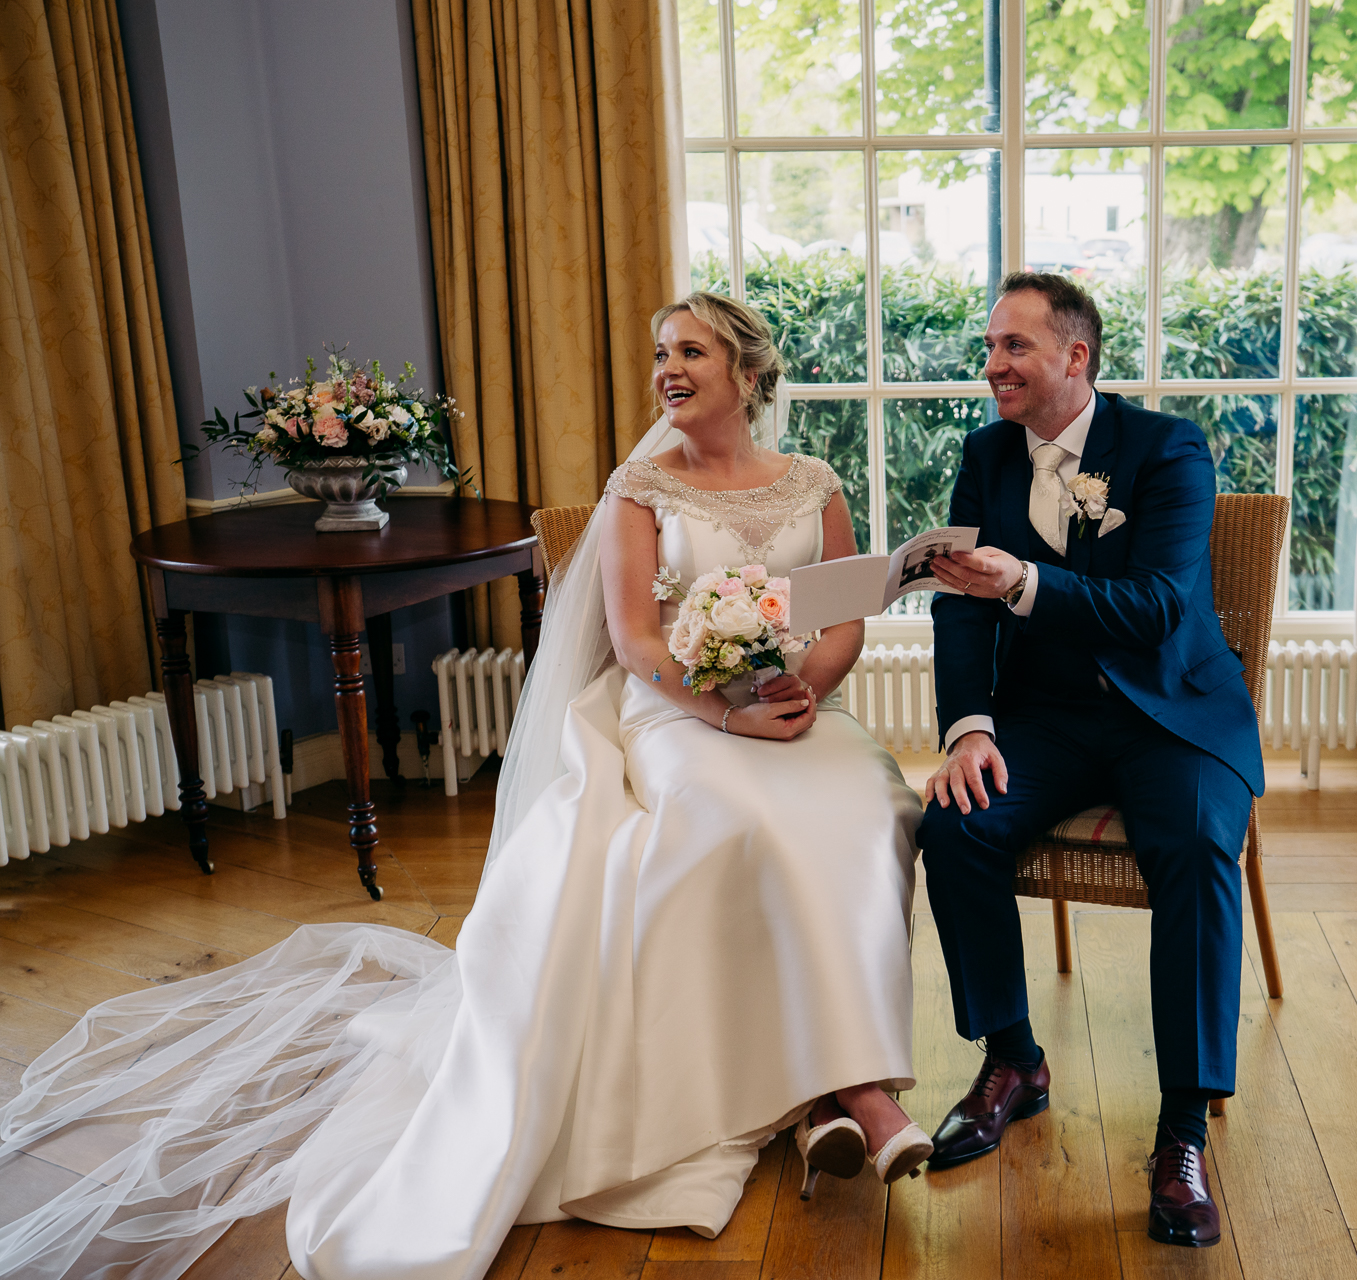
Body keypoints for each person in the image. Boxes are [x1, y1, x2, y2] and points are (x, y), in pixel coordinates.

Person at [0, 293, 929, 1280]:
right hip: (679, 716)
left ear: (747, 372)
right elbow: (638, 644)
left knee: (872, 807)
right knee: (735, 818)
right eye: (661, 351)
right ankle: (863, 1091)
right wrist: (729, 712)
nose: (668, 367)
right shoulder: (638, 489)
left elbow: (841, 618)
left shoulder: (814, 482)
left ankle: (824, 1091)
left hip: (794, 709)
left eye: (691, 350)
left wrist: (799, 690)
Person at [917, 272, 1263, 1249]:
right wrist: (970, 725)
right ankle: (1012, 1058)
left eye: (1014, 348)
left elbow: (1158, 604)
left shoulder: (1167, 448)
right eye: (989, 348)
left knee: (1198, 849)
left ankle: (1183, 1131)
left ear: (1076, 356)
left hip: (1173, 713)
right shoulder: (985, 455)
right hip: (1049, 719)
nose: (992, 367)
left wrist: (1025, 578)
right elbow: (957, 604)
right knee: (953, 821)